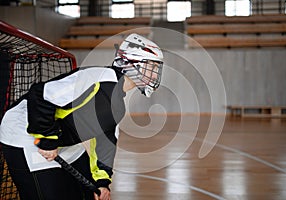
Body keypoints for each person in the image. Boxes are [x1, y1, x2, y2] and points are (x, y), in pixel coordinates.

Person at [0, 33, 164, 200]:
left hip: (57, 138)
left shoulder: (118, 106)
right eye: (152, 67)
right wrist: (47, 139)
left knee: (85, 194)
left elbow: (104, 143)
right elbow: (40, 95)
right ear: (131, 63)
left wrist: (101, 181)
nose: (155, 74)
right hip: (23, 132)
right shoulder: (97, 78)